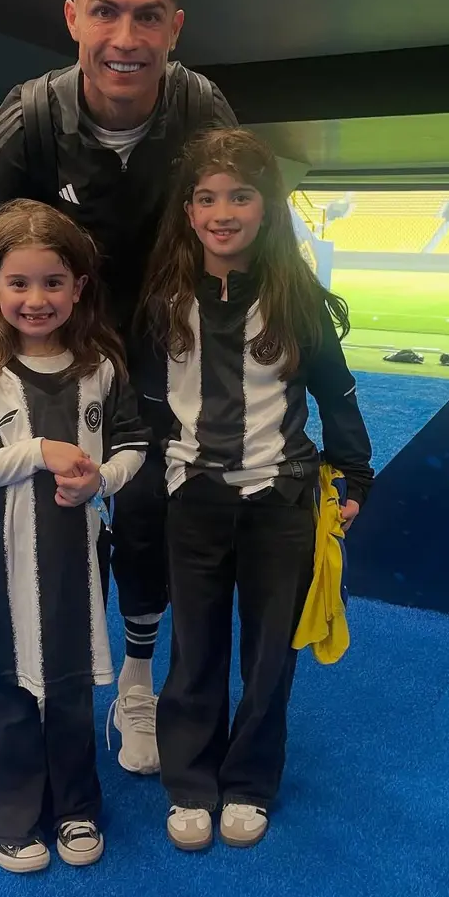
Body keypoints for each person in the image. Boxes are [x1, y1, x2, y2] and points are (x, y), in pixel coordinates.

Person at [0, 0, 237, 774]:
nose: (126, 37)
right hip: (68, 347)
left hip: (165, 346)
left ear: (175, 26)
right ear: (73, 18)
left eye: (147, 15)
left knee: (151, 514)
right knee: (61, 514)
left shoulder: (201, 114)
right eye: (105, 12)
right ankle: (51, 674)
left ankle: (136, 681)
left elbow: (234, 246)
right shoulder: (26, 126)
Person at [136, 128, 374, 851]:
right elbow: (148, 410)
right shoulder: (163, 303)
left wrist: (355, 474)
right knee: (195, 649)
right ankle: (189, 782)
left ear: (266, 208)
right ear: (187, 212)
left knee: (271, 655)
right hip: (194, 503)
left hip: (283, 502)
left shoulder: (296, 300)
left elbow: (337, 394)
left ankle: (249, 783)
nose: (223, 212)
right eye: (207, 198)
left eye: (240, 196)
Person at [0, 200, 150, 873]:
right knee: (13, 688)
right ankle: (10, 814)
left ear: (78, 288)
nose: (36, 299)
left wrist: (100, 480)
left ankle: (76, 805)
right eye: (19, 283)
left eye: (52, 282)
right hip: (2, 567)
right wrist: (36, 452)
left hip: (76, 563)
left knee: (73, 685)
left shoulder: (101, 369)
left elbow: (134, 445)